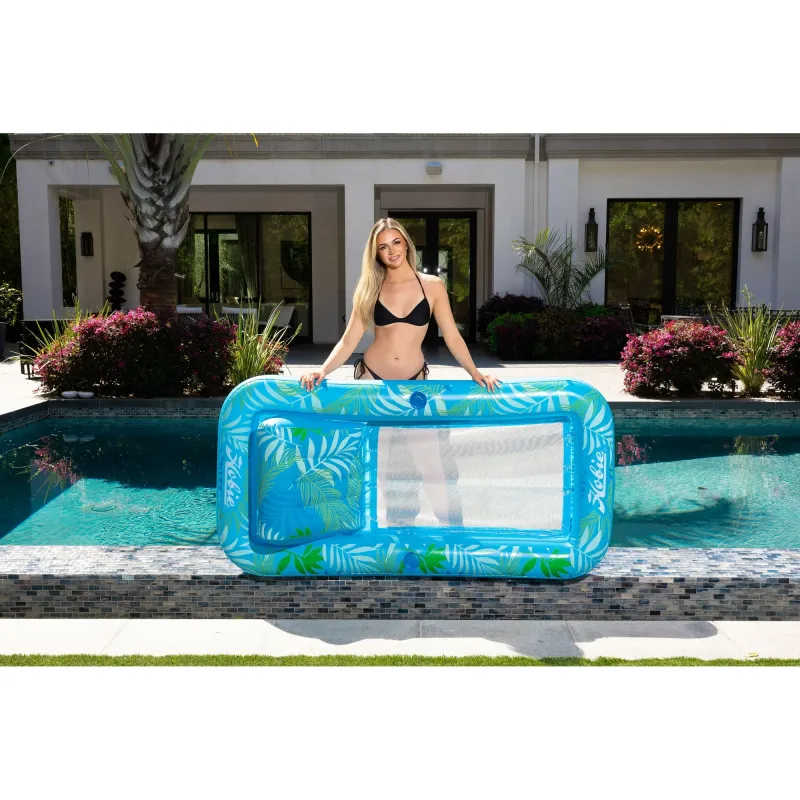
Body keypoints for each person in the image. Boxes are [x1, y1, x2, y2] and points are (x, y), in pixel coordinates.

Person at [299, 218, 500, 391]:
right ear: (377, 253)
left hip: (415, 377)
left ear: (406, 244)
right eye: (383, 247)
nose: (392, 251)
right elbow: (349, 340)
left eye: (396, 242)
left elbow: (452, 336)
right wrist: (322, 370)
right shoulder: (370, 287)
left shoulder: (433, 286)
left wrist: (474, 372)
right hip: (372, 375)